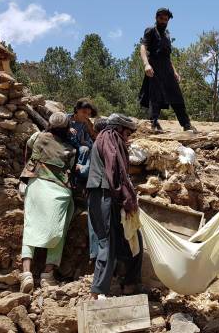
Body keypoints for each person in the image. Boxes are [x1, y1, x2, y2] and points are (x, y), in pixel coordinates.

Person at [18, 112, 77, 293]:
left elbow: (28, 149)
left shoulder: (38, 137)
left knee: (30, 225)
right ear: (67, 128)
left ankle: (26, 274)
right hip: (59, 189)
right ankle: (47, 273)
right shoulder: (71, 148)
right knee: (58, 229)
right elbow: (72, 168)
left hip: (35, 183)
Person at [87, 113, 143, 299]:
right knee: (107, 243)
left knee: (130, 240)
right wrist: (126, 197)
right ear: (119, 128)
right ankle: (98, 291)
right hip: (106, 195)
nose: (127, 138)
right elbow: (115, 170)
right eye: (127, 133)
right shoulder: (111, 137)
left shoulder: (103, 138)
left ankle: (128, 284)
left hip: (101, 194)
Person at [138, 7, 197, 133]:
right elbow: (143, 47)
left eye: (166, 19)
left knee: (177, 96)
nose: (163, 21)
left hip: (167, 68)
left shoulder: (167, 35)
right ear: (156, 18)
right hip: (154, 66)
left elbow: (168, 56)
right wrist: (146, 64)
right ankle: (153, 124)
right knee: (155, 96)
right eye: (161, 18)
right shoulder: (150, 31)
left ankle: (186, 125)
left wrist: (174, 71)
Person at [87, 118, 109, 263]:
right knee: (102, 230)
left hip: (93, 188)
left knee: (94, 226)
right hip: (100, 189)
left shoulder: (96, 143)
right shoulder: (104, 143)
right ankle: (101, 262)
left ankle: (96, 258)